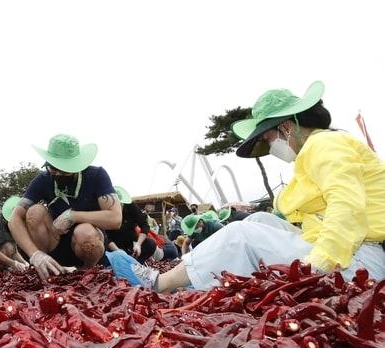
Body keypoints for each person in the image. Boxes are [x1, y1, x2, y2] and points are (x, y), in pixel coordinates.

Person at [132, 80, 385, 291]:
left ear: (286, 127)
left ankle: (163, 283)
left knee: (239, 235)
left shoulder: (324, 145)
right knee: (258, 221)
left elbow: (347, 206)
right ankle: (192, 277)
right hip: (352, 248)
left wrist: (317, 265)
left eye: (268, 137)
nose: (270, 146)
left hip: (360, 260)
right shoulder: (317, 147)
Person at [9, 134, 121, 282]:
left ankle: (88, 273)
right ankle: (47, 265)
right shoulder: (43, 179)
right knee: (34, 212)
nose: (58, 173)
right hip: (55, 241)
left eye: (64, 170)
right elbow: (14, 218)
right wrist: (34, 254)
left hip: (87, 243)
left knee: (84, 232)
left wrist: (73, 216)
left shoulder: (96, 175)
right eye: (54, 168)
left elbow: (115, 218)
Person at [106, 186, 156, 264]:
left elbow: (144, 226)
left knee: (151, 244)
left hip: (130, 244)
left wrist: (138, 244)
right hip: (113, 247)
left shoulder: (131, 207)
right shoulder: (105, 211)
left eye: (120, 204)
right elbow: (106, 236)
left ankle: (137, 263)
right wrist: (118, 251)